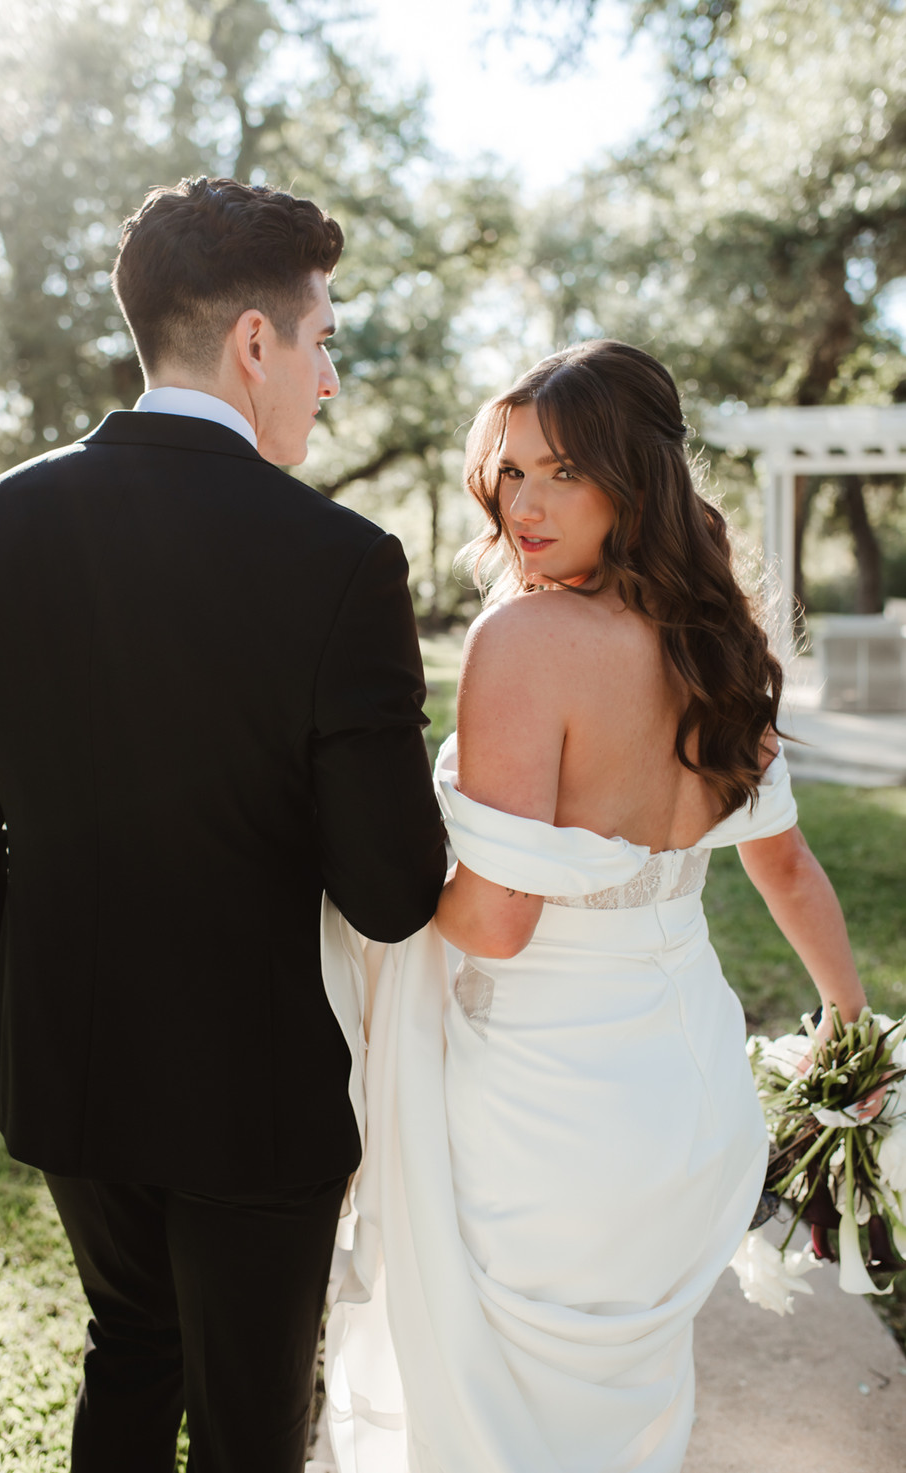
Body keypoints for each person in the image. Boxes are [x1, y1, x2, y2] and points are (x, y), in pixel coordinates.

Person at [0, 175, 447, 1473]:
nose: (330, 378)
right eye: (324, 340)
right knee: (249, 1421)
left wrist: (18, 1012)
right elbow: (391, 891)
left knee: (131, 1346)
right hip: (257, 1095)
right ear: (256, 341)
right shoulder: (342, 564)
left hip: (68, 1060)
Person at [320, 340, 873, 1473]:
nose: (524, 503)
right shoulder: (725, 641)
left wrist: (348, 864)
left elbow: (497, 922)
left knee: (511, 1422)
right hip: (686, 1099)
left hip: (548, 1113)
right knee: (620, 1415)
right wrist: (846, 1028)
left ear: (634, 478)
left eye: (562, 471)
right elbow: (783, 870)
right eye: (510, 472)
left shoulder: (523, 641)